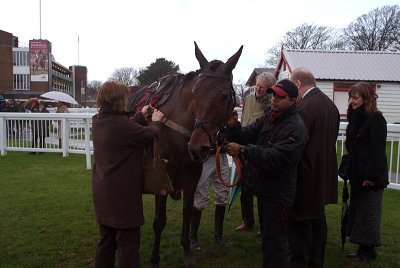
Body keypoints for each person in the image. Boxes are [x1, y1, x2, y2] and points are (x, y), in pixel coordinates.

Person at [224, 79, 308, 268]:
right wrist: (233, 127)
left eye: (280, 97)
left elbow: (275, 158)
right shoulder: (270, 116)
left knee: (276, 243)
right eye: (274, 95)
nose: (275, 99)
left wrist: (244, 150)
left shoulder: (295, 127)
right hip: (265, 190)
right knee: (269, 240)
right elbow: (248, 133)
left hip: (279, 193)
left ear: (293, 100)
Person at [92, 81, 164, 267]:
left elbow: (125, 129)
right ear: (118, 101)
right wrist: (156, 121)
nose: (127, 100)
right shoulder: (122, 126)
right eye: (125, 97)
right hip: (122, 198)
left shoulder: (99, 120)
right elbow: (149, 135)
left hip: (103, 194)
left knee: (106, 243)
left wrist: (141, 115)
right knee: (128, 247)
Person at [287, 68, 340, 268]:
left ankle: (303, 261)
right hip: (324, 171)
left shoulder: (304, 107)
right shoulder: (331, 106)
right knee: (318, 219)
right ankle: (317, 260)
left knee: (301, 222)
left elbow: (297, 143)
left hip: (306, 174)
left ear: (298, 84)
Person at [344, 82, 388, 262]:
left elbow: (378, 151)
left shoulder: (376, 119)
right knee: (359, 212)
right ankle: (363, 249)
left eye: (355, 97)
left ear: (366, 99)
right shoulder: (356, 118)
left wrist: (370, 176)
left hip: (371, 177)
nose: (351, 101)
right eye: (351, 97)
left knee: (368, 214)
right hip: (358, 174)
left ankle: (368, 252)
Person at [189, 112, 237, 251]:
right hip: (206, 158)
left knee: (222, 195)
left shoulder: (226, 112)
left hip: (221, 157)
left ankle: (218, 236)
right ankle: (193, 238)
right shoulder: (202, 112)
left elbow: (234, 131)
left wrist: (229, 132)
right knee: (201, 197)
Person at [235, 72, 276, 234]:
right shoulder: (249, 99)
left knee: (261, 190)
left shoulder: (271, 104)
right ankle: (247, 221)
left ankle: (264, 225)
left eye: (262, 87)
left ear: (270, 89)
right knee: (244, 189)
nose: (258, 89)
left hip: (260, 150)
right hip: (243, 149)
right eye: (257, 86)